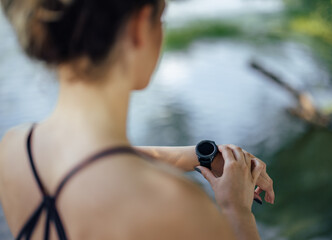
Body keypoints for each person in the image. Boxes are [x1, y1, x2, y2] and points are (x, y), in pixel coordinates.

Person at [0, 0, 275, 239]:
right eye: (161, 17)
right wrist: (236, 211)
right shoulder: (177, 206)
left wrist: (201, 156)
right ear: (139, 27)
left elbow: (92, 163)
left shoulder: (13, 148)